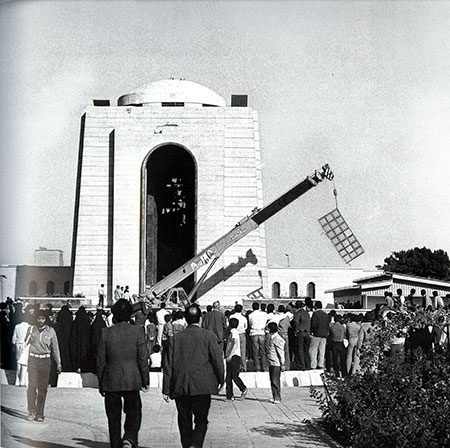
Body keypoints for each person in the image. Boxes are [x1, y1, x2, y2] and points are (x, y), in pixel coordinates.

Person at [163, 304, 224, 448]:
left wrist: (166, 389)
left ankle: (187, 445)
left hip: (180, 385)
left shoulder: (175, 338)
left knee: (184, 420)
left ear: (185, 318)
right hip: (202, 386)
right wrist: (221, 379)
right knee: (201, 420)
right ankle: (196, 444)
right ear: (200, 318)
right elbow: (217, 361)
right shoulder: (208, 336)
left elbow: (168, 366)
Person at [97, 299, 149, 448]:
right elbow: (142, 358)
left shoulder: (105, 333)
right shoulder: (137, 332)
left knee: (113, 418)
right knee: (134, 412)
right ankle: (129, 437)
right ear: (130, 315)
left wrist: (101, 382)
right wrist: (145, 380)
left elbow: (100, 360)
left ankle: (115, 444)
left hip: (111, 380)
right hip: (132, 379)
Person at [26, 310, 61, 422]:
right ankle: (31, 410)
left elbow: (55, 348)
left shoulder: (51, 331)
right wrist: (29, 338)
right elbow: (24, 343)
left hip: (45, 361)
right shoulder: (31, 329)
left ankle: (40, 413)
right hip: (33, 360)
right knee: (32, 386)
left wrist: (59, 363)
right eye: (38, 318)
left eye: (43, 319)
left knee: (42, 388)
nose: (40, 321)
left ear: (46, 320)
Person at [225, 318, 248, 401]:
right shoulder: (232, 332)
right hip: (230, 355)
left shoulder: (234, 332)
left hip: (234, 356)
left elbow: (235, 344)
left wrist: (230, 355)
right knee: (228, 377)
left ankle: (243, 388)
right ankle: (229, 395)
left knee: (234, 376)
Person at [267, 322, 285, 404]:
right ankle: (274, 396)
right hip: (271, 362)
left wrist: (282, 363)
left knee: (275, 380)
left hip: (276, 363)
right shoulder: (272, 338)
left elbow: (281, 352)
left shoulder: (277, 339)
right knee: (272, 380)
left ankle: (277, 397)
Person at [309, 301, 330, 369]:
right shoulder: (326, 315)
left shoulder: (315, 314)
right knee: (322, 351)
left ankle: (313, 365)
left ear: (316, 307)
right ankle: (321, 364)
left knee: (313, 350)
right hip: (324, 335)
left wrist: (312, 331)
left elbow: (313, 324)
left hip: (316, 334)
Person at [12, 311, 31, 386]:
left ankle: (17, 381)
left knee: (18, 363)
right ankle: (22, 382)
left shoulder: (17, 326)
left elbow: (14, 338)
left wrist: (14, 346)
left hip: (18, 344)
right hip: (26, 346)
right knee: (25, 364)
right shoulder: (30, 327)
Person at [248, 302, 268, 371]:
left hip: (254, 333)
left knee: (255, 351)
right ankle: (264, 367)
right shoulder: (264, 314)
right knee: (263, 351)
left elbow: (250, 324)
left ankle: (257, 367)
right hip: (262, 332)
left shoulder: (250, 315)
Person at [292, 300, 311, 370]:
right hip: (307, 333)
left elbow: (296, 322)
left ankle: (302, 365)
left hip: (300, 332)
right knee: (306, 350)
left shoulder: (298, 313)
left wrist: (296, 330)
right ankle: (308, 365)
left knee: (300, 349)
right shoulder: (307, 313)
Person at [231, 304, 248, 371]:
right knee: (243, 351)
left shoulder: (231, 316)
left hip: (234, 333)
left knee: (235, 351)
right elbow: (245, 327)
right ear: (241, 310)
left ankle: (236, 367)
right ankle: (244, 367)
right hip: (242, 334)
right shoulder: (243, 318)